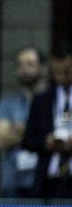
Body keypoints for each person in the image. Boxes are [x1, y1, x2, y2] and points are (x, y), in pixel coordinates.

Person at [0, 47, 46, 197]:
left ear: (42, 68)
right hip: (12, 181)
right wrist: (37, 132)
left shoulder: (51, 102)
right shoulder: (7, 103)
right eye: (20, 65)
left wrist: (16, 129)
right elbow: (1, 139)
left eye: (30, 64)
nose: (24, 69)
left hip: (42, 181)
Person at [23, 43, 72, 198]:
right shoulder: (42, 100)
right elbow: (28, 140)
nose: (62, 76)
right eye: (57, 72)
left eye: (67, 71)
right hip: (49, 180)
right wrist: (46, 141)